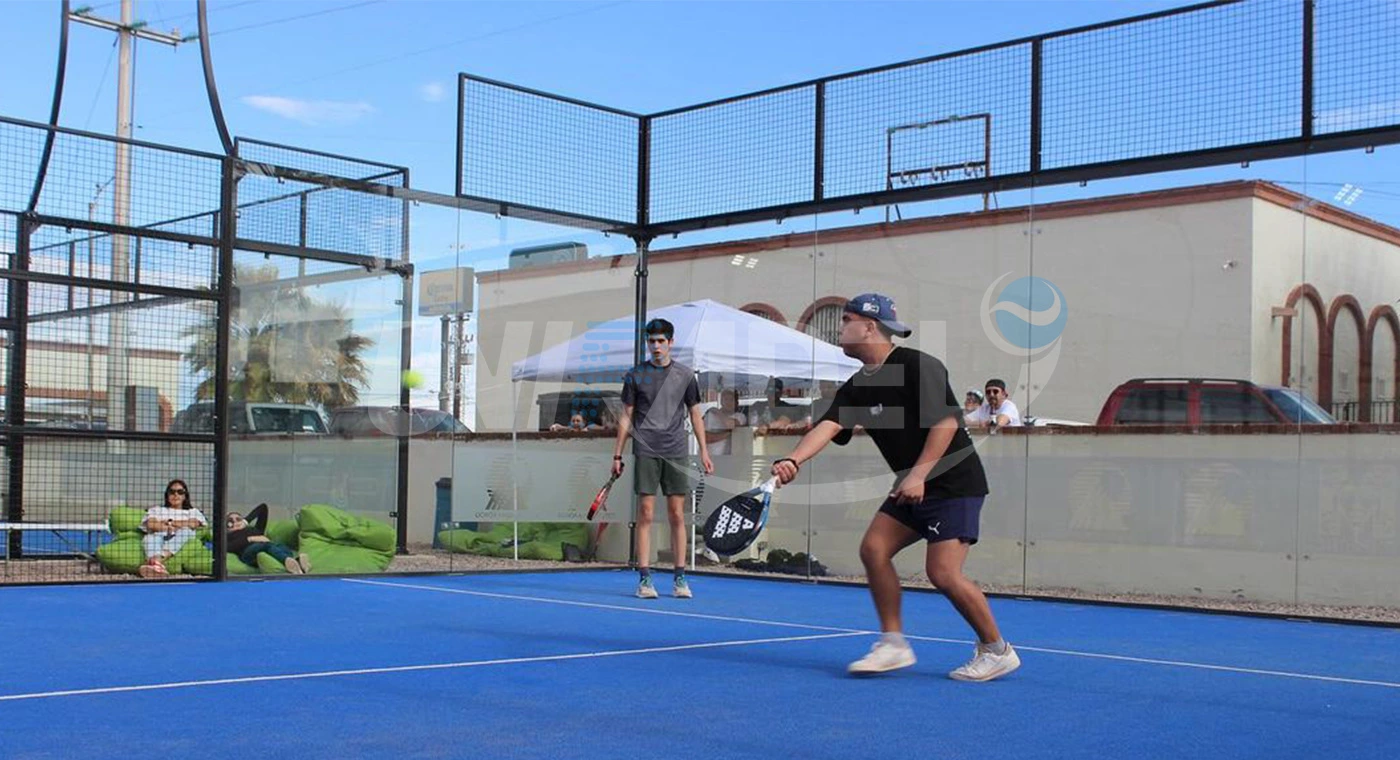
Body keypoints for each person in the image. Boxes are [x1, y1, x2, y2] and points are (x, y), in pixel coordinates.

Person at [769, 293, 1020, 682]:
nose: (840, 327)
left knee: (943, 573)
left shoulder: (918, 365)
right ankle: (893, 643)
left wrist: (918, 474)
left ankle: (996, 649)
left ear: (870, 327)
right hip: (912, 484)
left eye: (847, 319)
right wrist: (793, 460)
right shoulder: (858, 385)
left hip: (953, 482)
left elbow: (946, 423)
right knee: (874, 548)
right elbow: (829, 425)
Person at [611, 318, 715, 599]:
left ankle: (680, 578)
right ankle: (645, 579)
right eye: (652, 341)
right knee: (645, 513)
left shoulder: (685, 375)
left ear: (671, 343)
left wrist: (704, 450)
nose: (656, 346)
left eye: (661, 341)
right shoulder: (636, 375)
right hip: (646, 450)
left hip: (676, 451)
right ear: (648, 343)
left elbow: (695, 413)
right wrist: (618, 454)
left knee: (677, 515)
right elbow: (626, 416)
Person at [138, 479, 208, 578]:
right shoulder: (157, 509)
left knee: (186, 531)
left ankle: (157, 561)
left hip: (181, 536)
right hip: (158, 536)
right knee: (149, 538)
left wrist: (168, 522)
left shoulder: (192, 511)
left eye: (180, 492)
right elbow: (151, 524)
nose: (176, 495)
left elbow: (192, 524)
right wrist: (175, 526)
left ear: (185, 496)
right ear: (167, 495)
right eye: (172, 492)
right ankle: (157, 567)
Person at [226, 503, 310, 574]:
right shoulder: (229, 535)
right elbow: (228, 547)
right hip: (247, 553)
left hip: (265, 545)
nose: (235, 522)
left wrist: (246, 521)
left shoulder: (255, 530)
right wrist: (251, 539)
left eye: (238, 519)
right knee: (266, 545)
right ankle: (287, 561)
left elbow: (263, 508)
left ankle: (296, 563)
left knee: (280, 545)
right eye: (230, 521)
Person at [703, 389, 747, 457]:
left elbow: (730, 424)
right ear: (721, 401)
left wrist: (716, 411)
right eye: (726, 399)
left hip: (729, 460)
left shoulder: (740, 416)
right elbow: (704, 438)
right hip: (708, 459)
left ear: (736, 403)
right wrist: (729, 434)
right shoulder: (710, 416)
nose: (728, 402)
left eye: (731, 400)